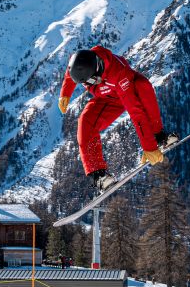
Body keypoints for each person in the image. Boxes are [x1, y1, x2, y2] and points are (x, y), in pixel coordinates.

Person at [58, 46, 178, 192]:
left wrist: (149, 146)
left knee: (143, 87)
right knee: (85, 121)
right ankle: (99, 175)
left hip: (129, 91)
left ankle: (158, 136)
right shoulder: (84, 61)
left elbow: (136, 113)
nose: (87, 86)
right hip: (107, 100)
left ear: (96, 75)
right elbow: (71, 73)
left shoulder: (118, 75)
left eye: (89, 83)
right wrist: (65, 94)